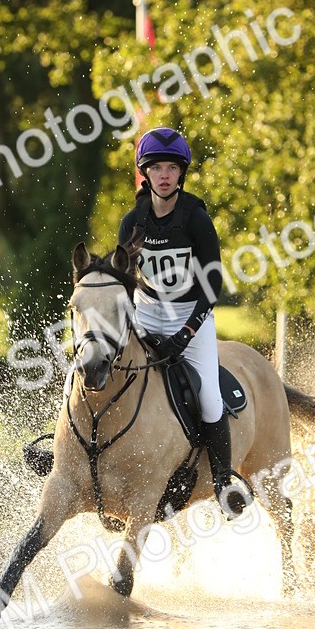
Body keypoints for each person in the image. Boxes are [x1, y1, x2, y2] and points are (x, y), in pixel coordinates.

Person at [118, 127, 248, 518]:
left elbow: (213, 286)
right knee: (102, 360)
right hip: (145, 310)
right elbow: (124, 277)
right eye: (156, 167)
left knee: (209, 396)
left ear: (181, 174)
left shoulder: (196, 220)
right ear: (145, 173)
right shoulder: (133, 222)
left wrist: (186, 334)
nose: (164, 175)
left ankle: (224, 481)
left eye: (172, 168)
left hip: (191, 315)